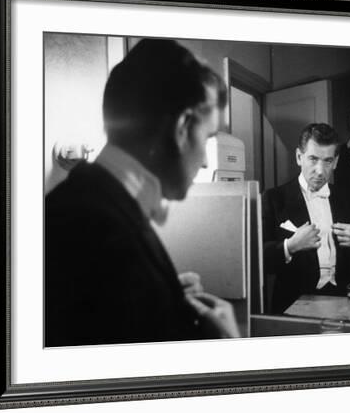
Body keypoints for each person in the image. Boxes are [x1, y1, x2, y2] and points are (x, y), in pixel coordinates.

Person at [45, 38, 240, 347]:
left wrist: (161, 297)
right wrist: (225, 348)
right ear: (182, 127)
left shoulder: (80, 205)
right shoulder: (103, 232)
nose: (204, 160)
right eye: (207, 137)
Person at [262, 123, 350, 314]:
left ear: (336, 162)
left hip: (344, 303)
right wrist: (291, 245)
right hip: (293, 304)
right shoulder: (274, 198)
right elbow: (260, 260)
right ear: (299, 157)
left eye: (328, 161)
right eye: (313, 159)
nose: (320, 171)